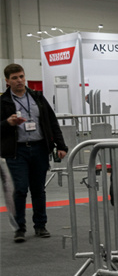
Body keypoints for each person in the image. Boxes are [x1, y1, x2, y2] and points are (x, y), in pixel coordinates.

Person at [1, 63, 68, 243]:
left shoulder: (37, 97)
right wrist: (8, 122)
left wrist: (61, 146)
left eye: (21, 76)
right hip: (17, 151)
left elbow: (52, 122)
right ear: (7, 81)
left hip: (39, 148)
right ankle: (20, 228)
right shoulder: (3, 102)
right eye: (14, 78)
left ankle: (40, 225)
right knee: (20, 189)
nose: (19, 80)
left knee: (38, 189)